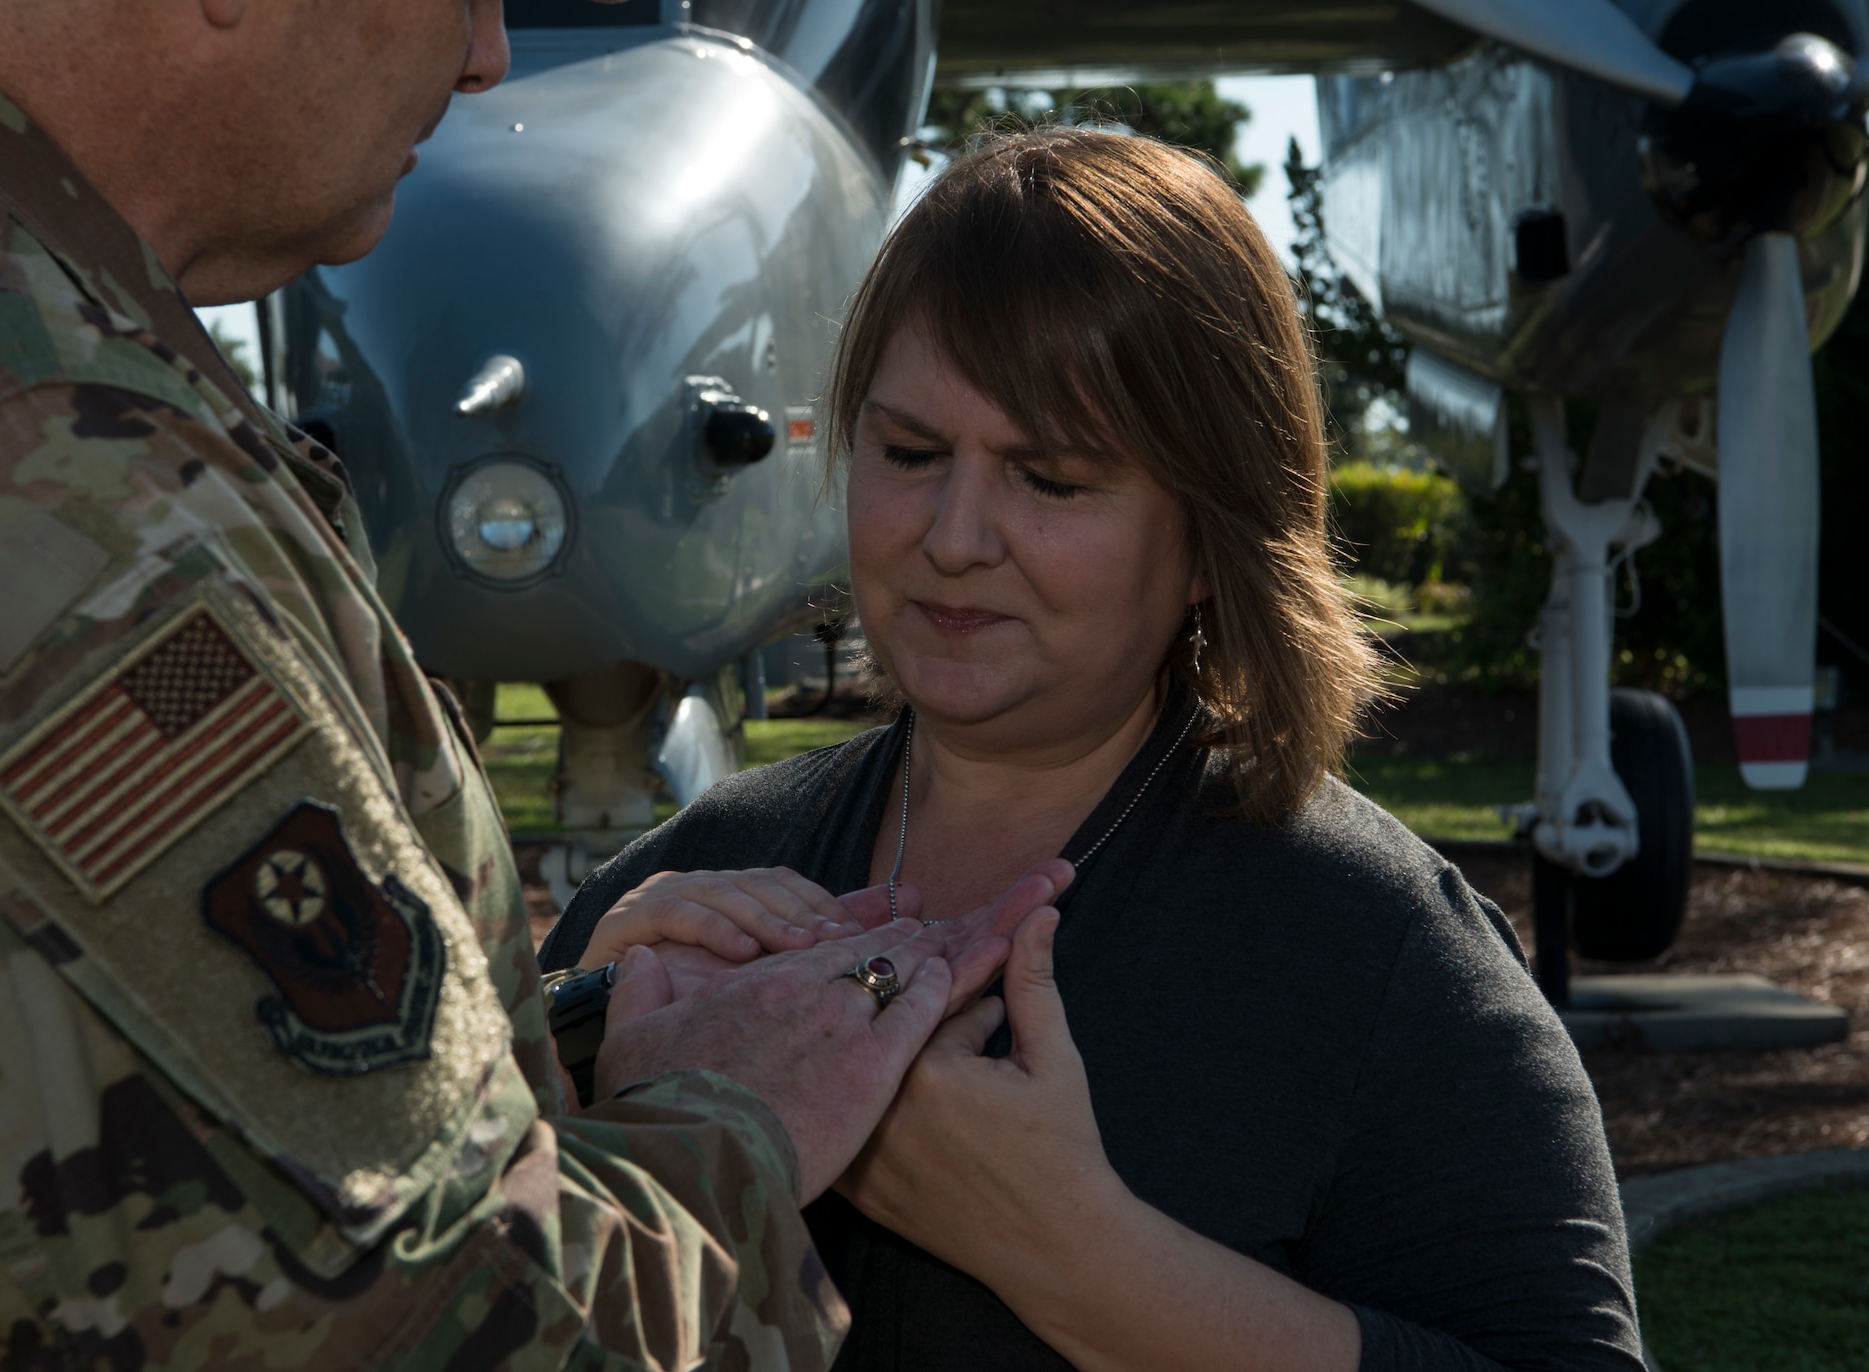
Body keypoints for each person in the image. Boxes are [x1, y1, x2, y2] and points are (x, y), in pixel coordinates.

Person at [0, 2, 1055, 1366]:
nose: (490, 53)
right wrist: (747, 1116)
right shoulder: (29, 476)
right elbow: (433, 1327)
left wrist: (575, 1033)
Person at [544, 129, 1647, 1370]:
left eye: (1050, 478)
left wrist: (1076, 1255)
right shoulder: (687, 883)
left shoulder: (1371, 944)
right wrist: (559, 1062)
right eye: (909, 453)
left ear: (1208, 537)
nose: (953, 536)